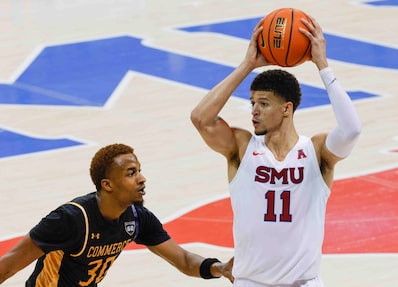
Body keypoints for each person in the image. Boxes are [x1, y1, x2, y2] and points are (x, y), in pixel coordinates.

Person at [190, 15, 361, 287]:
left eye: (264, 104)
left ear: (287, 109)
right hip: (250, 281)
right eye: (252, 103)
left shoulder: (316, 152)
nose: (254, 111)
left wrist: (323, 66)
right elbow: (201, 119)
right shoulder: (242, 147)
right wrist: (247, 65)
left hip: (304, 282)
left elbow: (351, 130)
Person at [0, 143, 234, 286]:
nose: (142, 178)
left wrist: (220, 268)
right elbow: (9, 265)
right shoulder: (70, 219)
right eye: (131, 173)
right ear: (108, 184)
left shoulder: (137, 217)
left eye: (140, 171)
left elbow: (182, 260)